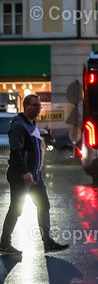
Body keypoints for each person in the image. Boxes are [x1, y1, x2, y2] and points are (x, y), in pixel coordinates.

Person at [1, 94, 69, 255]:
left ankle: (48, 242)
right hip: (22, 176)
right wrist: (25, 172)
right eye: (35, 105)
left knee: (44, 205)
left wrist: (35, 171)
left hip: (35, 176)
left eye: (40, 106)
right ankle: (4, 243)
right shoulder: (19, 126)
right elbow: (16, 152)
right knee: (16, 209)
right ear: (26, 106)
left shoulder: (32, 124)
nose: (39, 108)